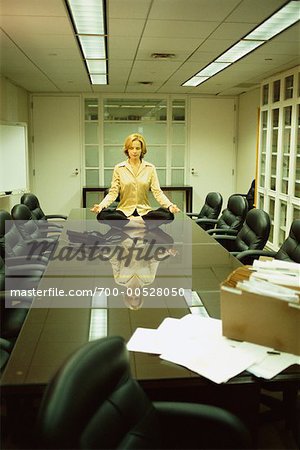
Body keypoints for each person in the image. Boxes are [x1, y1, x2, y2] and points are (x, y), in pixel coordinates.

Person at [90, 133, 180, 228]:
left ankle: (130, 223)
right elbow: (113, 193)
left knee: (168, 215)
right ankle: (141, 224)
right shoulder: (119, 168)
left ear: (142, 150)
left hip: (144, 212)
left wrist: (170, 206)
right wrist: (101, 206)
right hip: (124, 212)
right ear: (127, 150)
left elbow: (157, 192)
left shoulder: (150, 168)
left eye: (137, 148)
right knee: (102, 215)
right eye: (131, 148)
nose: (134, 151)